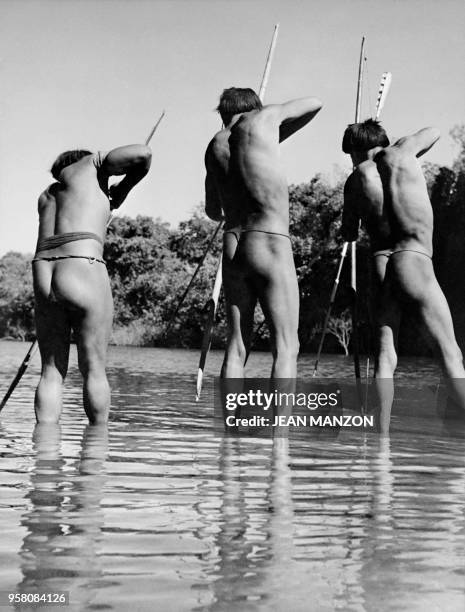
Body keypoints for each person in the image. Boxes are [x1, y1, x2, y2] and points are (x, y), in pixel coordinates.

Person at [205, 87, 322, 378]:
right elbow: (314, 102)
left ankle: (228, 425)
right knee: (286, 347)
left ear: (223, 114)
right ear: (254, 107)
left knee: (237, 347)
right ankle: (280, 426)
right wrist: (269, 121)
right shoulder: (264, 118)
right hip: (269, 239)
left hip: (233, 244)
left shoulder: (213, 146)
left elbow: (211, 210)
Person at [341, 119, 465, 394]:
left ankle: (380, 436)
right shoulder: (404, 151)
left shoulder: (353, 182)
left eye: (351, 154)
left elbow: (348, 233)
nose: (352, 160)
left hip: (382, 264)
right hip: (414, 259)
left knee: (385, 358)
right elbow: (434, 129)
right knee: (450, 354)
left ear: (357, 150)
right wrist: (403, 147)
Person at [32, 145, 152, 424]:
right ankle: (95, 451)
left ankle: (45, 459)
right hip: (81, 264)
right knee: (94, 369)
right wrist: (123, 189)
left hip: (44, 273)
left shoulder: (46, 196)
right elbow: (143, 154)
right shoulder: (90, 166)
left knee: (50, 371)